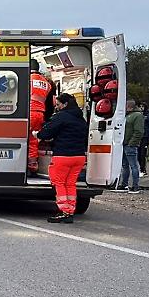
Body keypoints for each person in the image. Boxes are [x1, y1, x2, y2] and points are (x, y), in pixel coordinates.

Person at [36, 93, 89, 223]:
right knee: (70, 184)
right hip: (79, 157)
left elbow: (46, 133)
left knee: (59, 183)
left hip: (63, 156)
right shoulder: (81, 119)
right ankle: (70, 210)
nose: (57, 107)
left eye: (58, 104)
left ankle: (63, 211)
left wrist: (37, 134)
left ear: (64, 104)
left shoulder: (61, 117)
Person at [27, 59, 55, 174]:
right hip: (40, 114)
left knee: (21, 139)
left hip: (28, 113)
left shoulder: (26, 79)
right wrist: (47, 119)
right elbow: (50, 105)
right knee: (33, 140)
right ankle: (33, 165)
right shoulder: (46, 83)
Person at [115, 99, 145, 194]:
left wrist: (132, 143)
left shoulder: (137, 116)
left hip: (130, 145)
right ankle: (125, 184)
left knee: (133, 165)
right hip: (124, 144)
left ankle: (135, 186)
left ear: (130, 107)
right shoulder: (129, 115)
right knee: (125, 166)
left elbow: (139, 131)